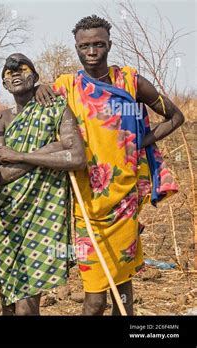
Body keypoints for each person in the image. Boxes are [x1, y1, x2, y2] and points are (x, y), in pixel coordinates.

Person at [36, 15, 183, 315]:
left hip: (124, 201)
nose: (92, 52)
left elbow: (175, 117)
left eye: (99, 45)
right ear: (76, 48)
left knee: (123, 284)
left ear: (109, 45)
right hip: (86, 204)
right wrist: (38, 86)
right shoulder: (67, 86)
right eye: (85, 46)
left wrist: (138, 141)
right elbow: (41, 120)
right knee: (94, 297)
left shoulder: (130, 82)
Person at [0, 53, 86, 315]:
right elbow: (1, 173)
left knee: (28, 298)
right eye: (9, 73)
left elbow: (77, 157)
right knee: (9, 301)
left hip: (45, 212)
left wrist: (22, 156)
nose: (15, 75)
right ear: (4, 84)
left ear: (35, 76)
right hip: (7, 214)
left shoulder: (57, 109)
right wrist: (52, 149)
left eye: (22, 69)